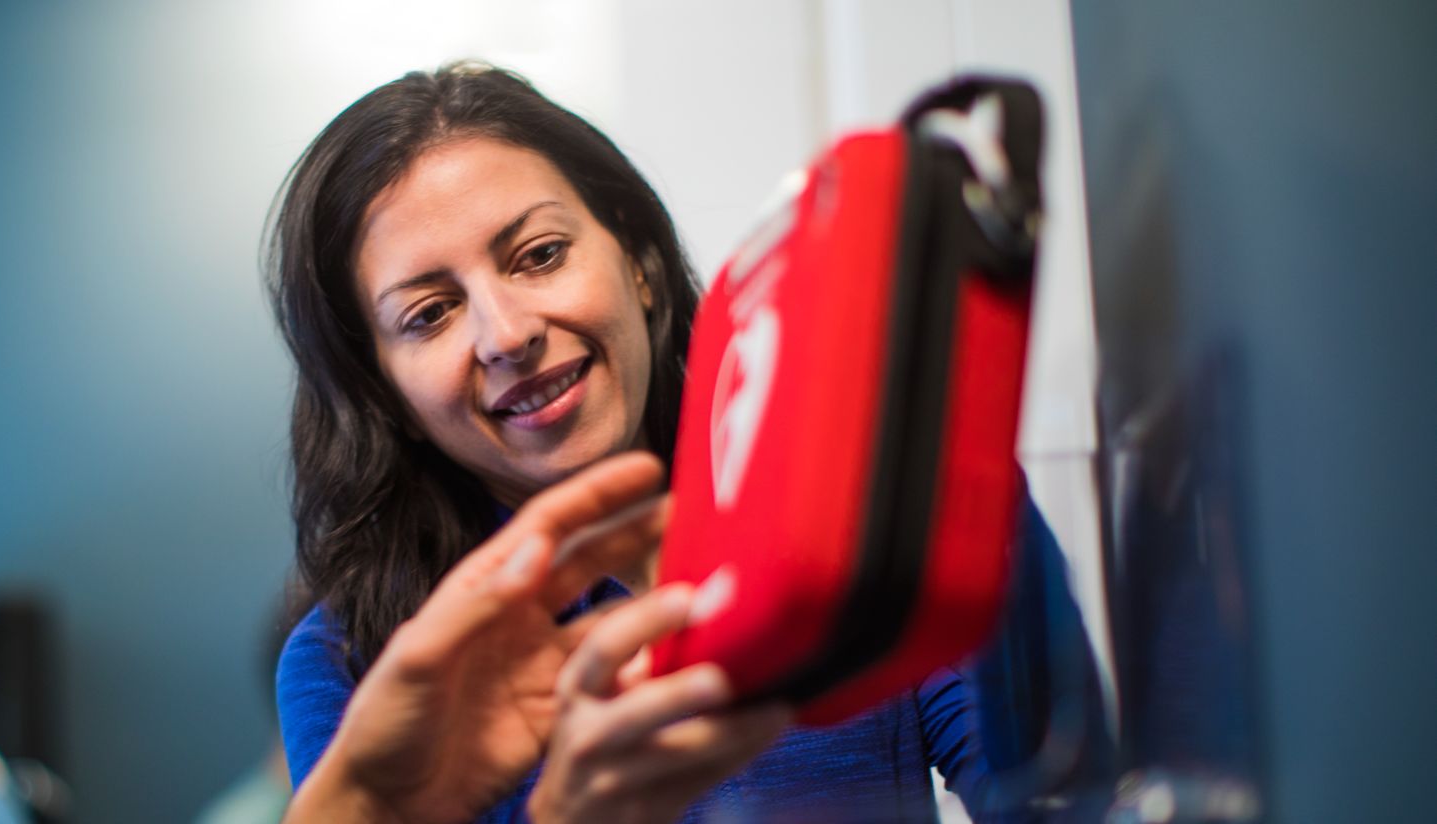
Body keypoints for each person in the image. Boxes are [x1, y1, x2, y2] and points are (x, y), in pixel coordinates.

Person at [268, 63, 996, 822]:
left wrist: (961, 480)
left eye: (540, 255)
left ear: (640, 266)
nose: (507, 334)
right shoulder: (346, 664)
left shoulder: (860, 505)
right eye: (430, 314)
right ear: (389, 397)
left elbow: (1051, 786)